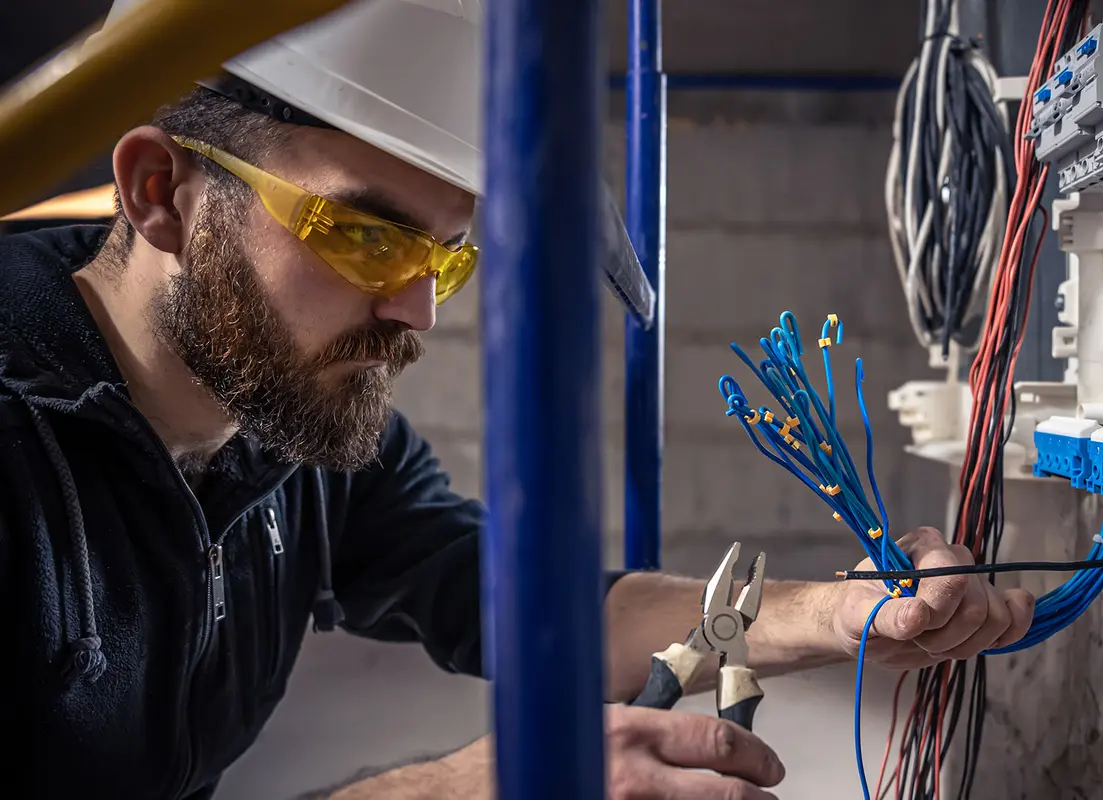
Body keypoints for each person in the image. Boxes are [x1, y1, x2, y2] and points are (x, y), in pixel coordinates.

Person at [0, 1, 1035, 798]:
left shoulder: (294, 435)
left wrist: (835, 613)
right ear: (157, 193)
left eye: (446, 257)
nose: (416, 309)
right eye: (364, 235)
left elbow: (527, 607)